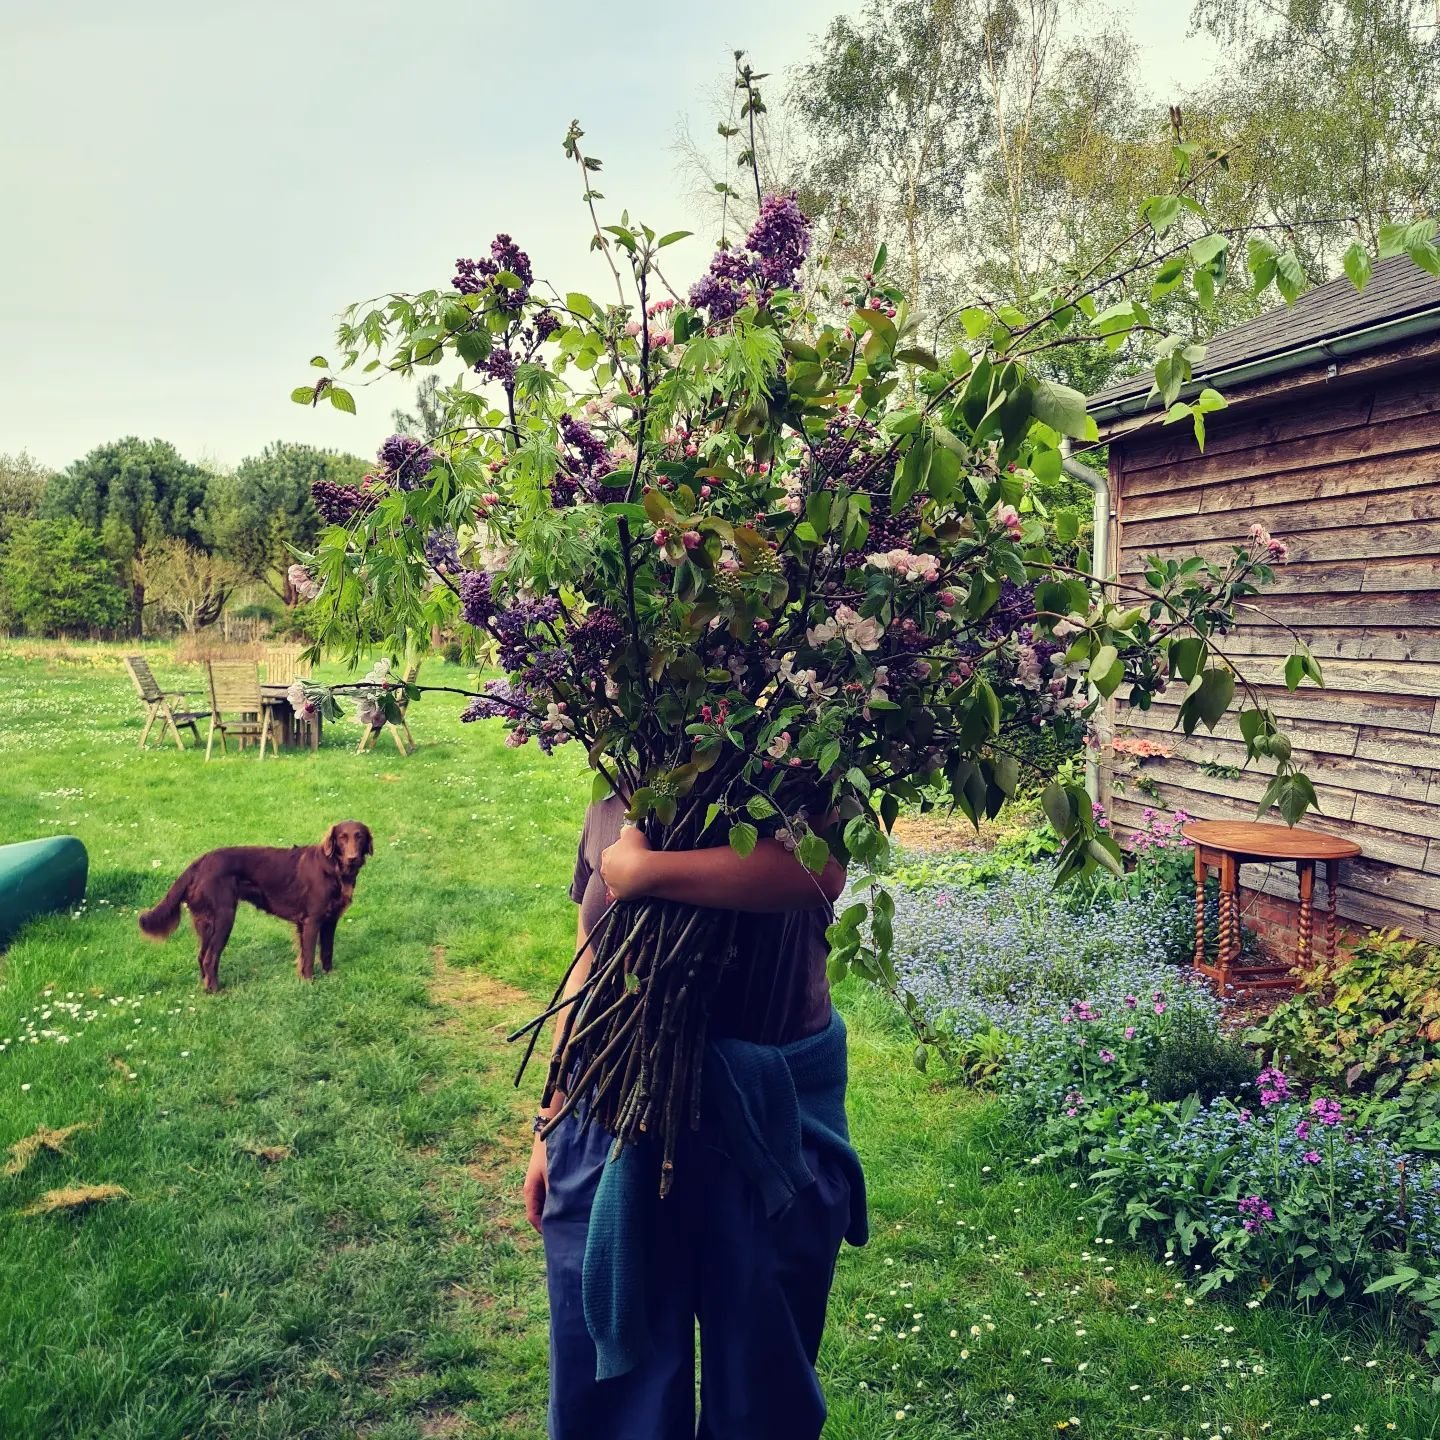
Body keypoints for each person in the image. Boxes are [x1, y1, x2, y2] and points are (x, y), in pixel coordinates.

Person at [522, 791, 868, 1440]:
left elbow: (816, 872)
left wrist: (644, 874)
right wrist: (552, 1117)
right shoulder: (619, 771)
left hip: (762, 1129)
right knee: (608, 1401)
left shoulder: (797, 769)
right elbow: (589, 958)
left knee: (760, 1402)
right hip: (611, 1111)